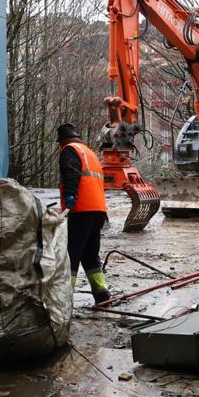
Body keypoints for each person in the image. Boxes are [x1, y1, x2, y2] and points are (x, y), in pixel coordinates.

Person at [56, 122, 112, 305]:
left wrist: (70, 197)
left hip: (81, 209)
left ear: (62, 141)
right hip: (98, 210)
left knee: (71, 253)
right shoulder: (89, 152)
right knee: (90, 254)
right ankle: (102, 294)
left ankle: (64, 299)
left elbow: (71, 174)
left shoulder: (69, 150)